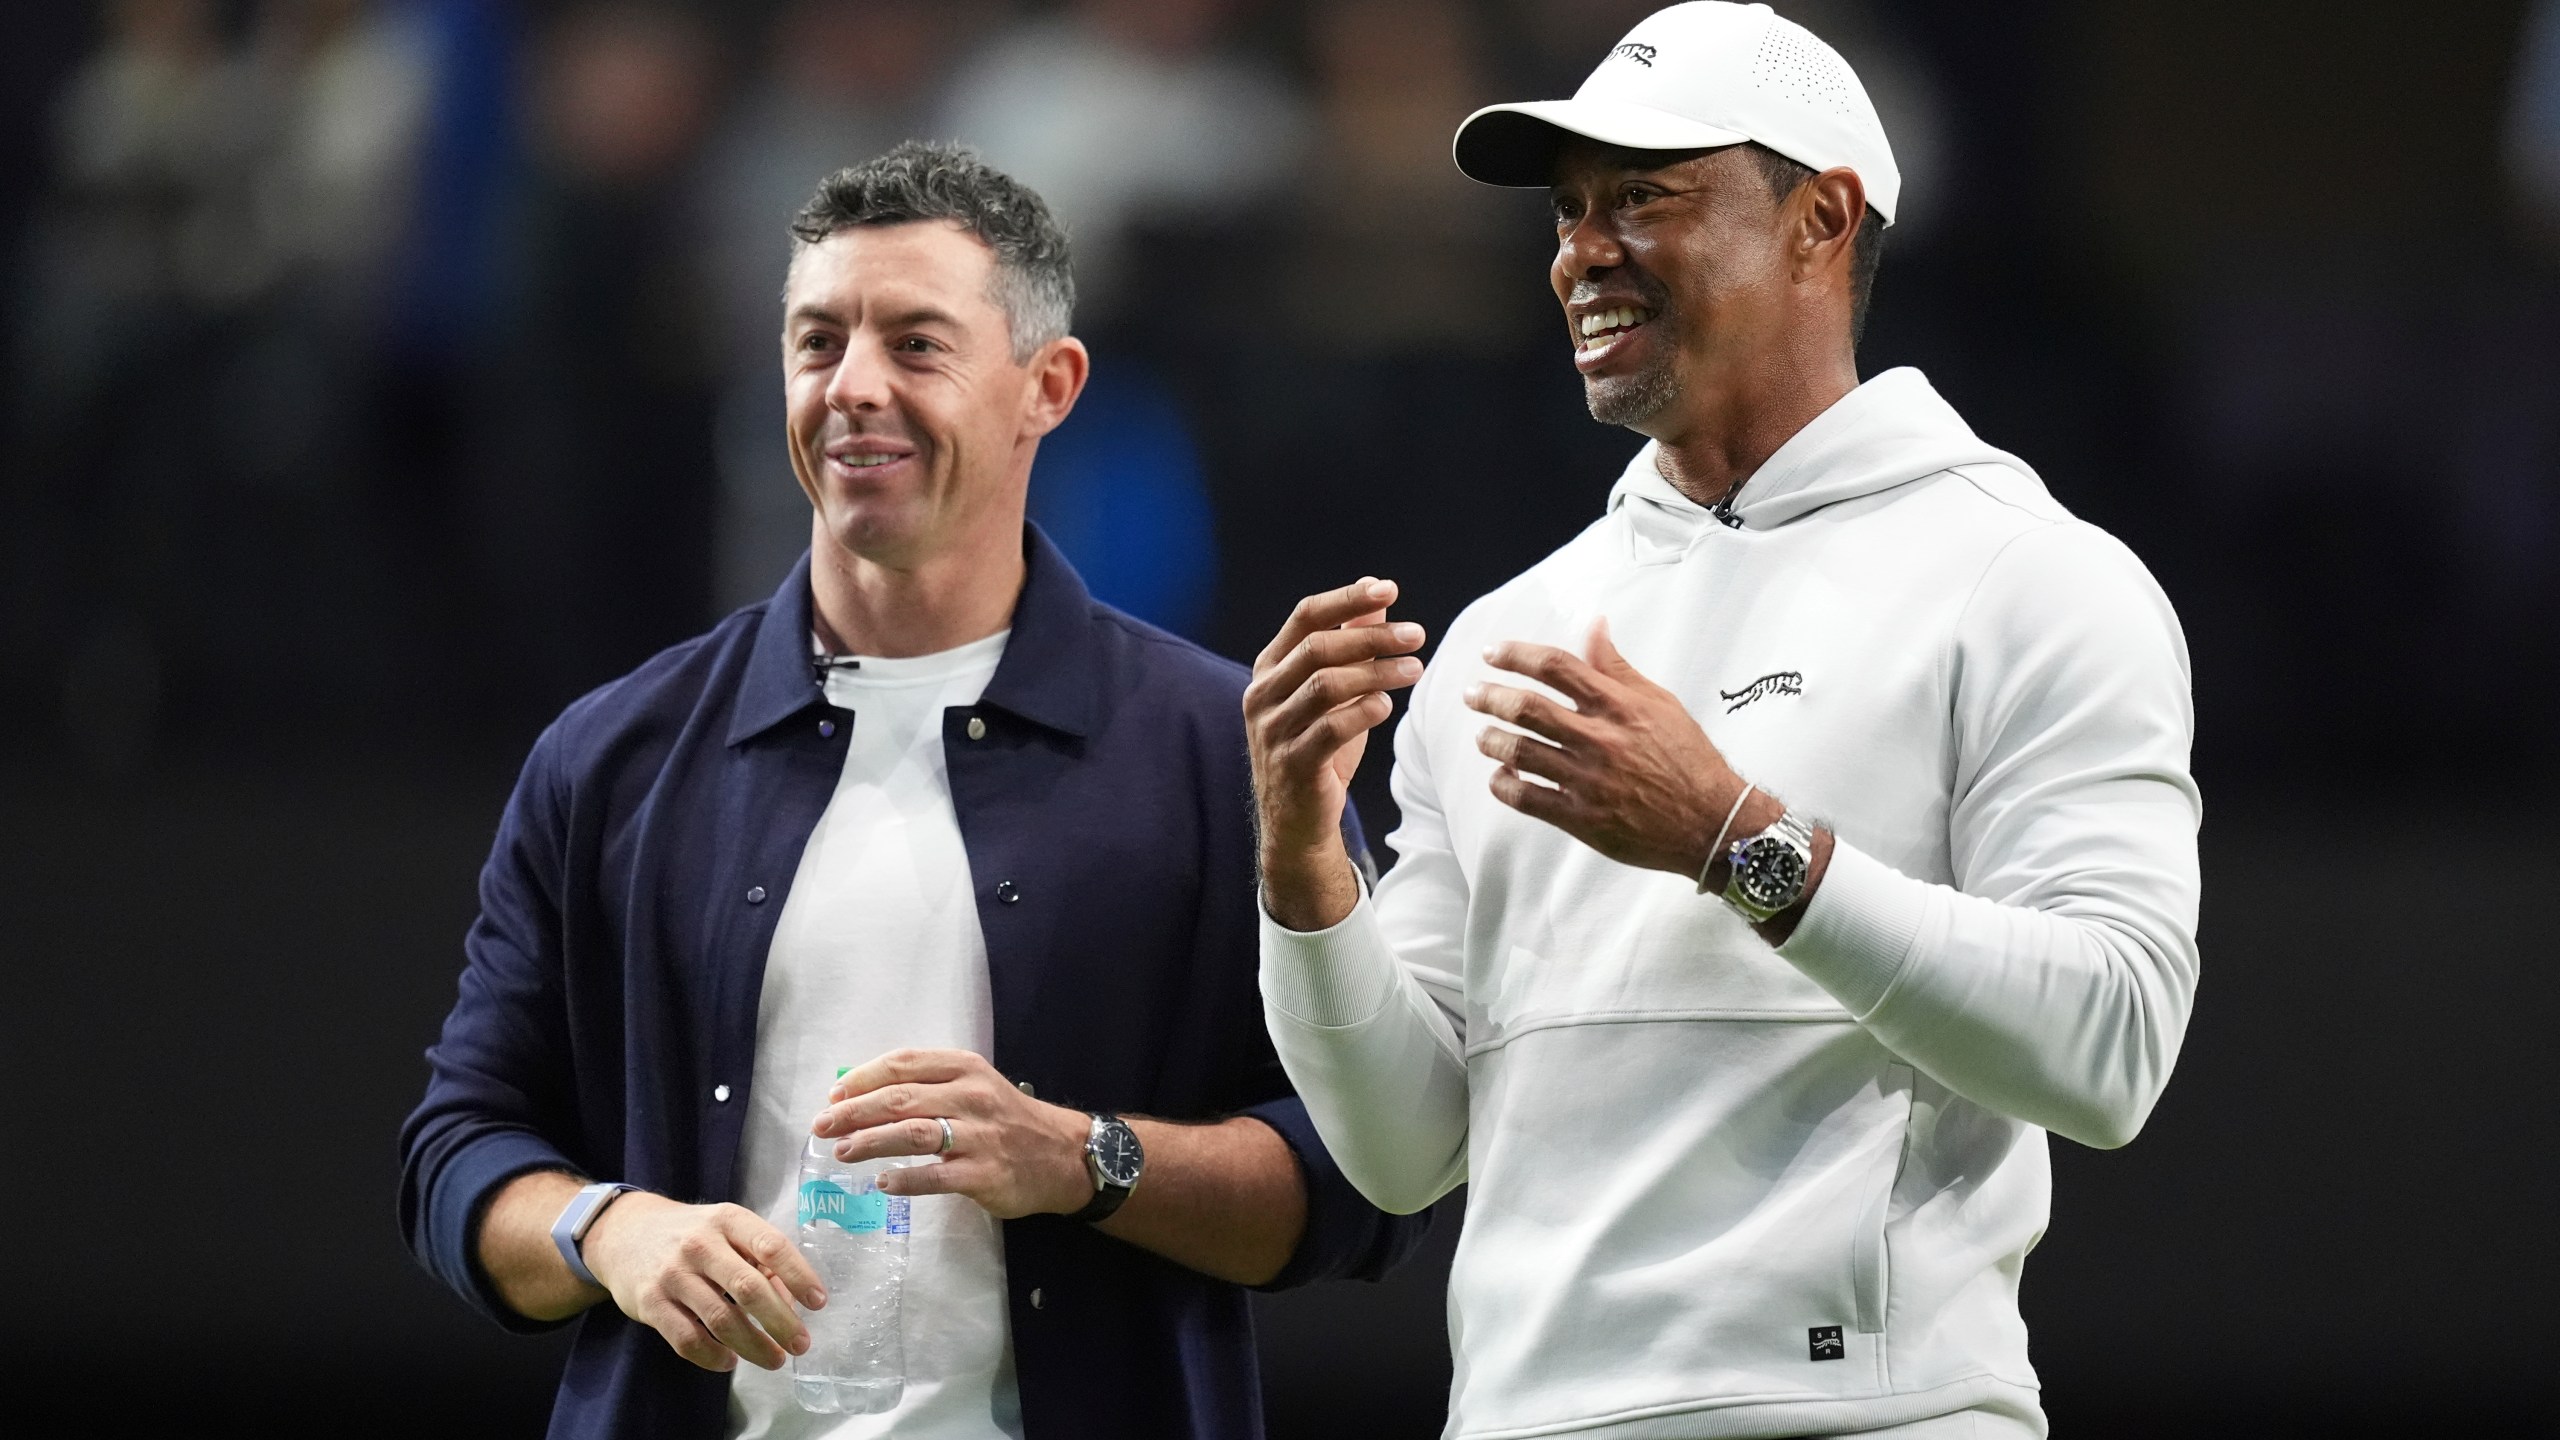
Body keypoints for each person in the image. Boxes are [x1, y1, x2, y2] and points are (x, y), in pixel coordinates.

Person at [1246, 5, 2199, 1439]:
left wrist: (1733, 841)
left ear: (1822, 219)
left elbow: (2112, 1047)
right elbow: (1401, 1151)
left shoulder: (2032, 577)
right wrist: (1305, 878)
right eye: (1568, 211)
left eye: (1644, 195)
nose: (1582, 249)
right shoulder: (1507, 638)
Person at [402, 140, 1424, 1440]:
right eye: (817, 342)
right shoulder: (612, 757)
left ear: (1045, 387)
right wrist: (615, 1230)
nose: (854, 388)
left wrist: (1081, 1160)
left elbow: (1376, 1186)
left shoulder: (1224, 753)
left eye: (918, 344)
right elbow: (456, 1155)